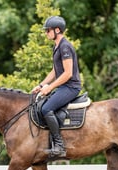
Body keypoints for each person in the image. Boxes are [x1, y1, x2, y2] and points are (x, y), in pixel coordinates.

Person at [32, 16, 82, 157]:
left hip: (71, 87)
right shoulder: (57, 46)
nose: (46, 33)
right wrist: (41, 85)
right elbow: (55, 71)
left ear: (57, 30)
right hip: (63, 87)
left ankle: (59, 145)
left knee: (46, 108)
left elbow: (67, 73)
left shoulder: (65, 47)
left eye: (48, 30)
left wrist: (50, 87)